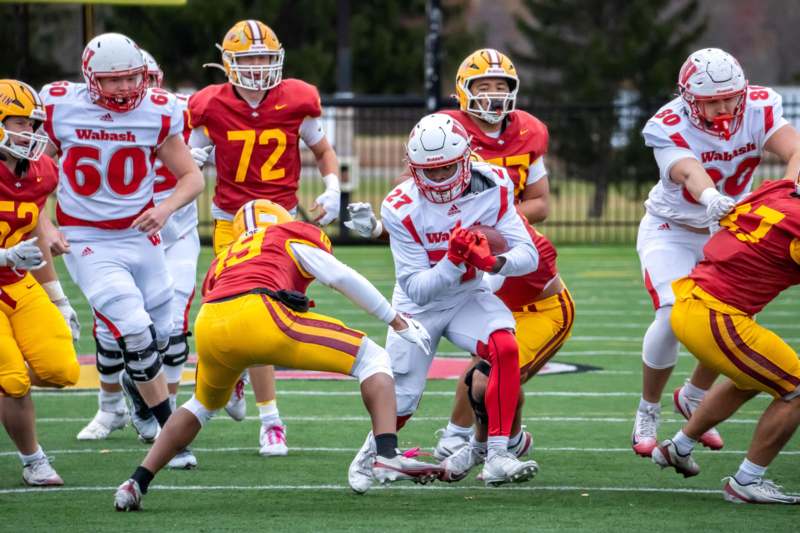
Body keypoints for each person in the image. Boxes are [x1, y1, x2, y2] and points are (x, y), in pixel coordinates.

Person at [113, 199, 441, 510]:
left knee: (200, 405)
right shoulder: (285, 235)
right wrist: (396, 320)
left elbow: (229, 292)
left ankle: (136, 482)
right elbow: (340, 276)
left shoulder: (225, 257)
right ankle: (386, 453)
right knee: (374, 360)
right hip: (261, 315)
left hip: (211, 325)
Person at [348, 112, 540, 492]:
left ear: (466, 158)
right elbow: (418, 289)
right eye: (429, 171)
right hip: (417, 309)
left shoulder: (494, 184)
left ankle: (498, 455)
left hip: (468, 296)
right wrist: (454, 260)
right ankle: (370, 455)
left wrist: (493, 262)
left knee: (505, 345)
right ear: (413, 168)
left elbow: (528, 255)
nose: (438, 178)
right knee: (402, 402)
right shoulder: (401, 206)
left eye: (446, 168)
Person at [39, 33, 204, 469]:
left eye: (132, 78)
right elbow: (31, 175)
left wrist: (164, 209)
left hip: (139, 234)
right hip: (88, 238)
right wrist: (45, 224)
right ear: (91, 78)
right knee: (132, 326)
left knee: (165, 333)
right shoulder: (60, 107)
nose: (126, 88)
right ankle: (169, 435)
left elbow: (192, 177)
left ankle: (137, 391)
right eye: (114, 80)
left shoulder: (158, 110)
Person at [631, 47, 800, 457]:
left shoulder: (759, 106)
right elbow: (689, 170)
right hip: (672, 228)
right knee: (672, 315)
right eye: (713, 101)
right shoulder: (668, 124)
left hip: (727, 228)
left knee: (730, 315)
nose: (724, 108)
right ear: (690, 99)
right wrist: (710, 197)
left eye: (730, 98)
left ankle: (692, 395)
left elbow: (796, 150)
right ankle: (647, 408)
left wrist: (791, 193)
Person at [187, 19, 342, 456]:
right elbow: (189, 159)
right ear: (229, 63)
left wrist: (332, 186)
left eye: (264, 58)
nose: (257, 67)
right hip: (230, 222)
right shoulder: (210, 105)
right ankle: (245, 391)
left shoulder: (296, 99)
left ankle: (269, 418)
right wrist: (192, 163)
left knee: (264, 314)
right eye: (249, 58)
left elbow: (322, 150)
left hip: (279, 223)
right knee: (231, 311)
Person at [652, 178, 800, 504]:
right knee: (795, 389)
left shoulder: (779, 189)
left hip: (693, 301)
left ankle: (679, 447)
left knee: (753, 378)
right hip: (718, 317)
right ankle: (747, 481)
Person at [109, 50, 201, 442]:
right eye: (131, 79)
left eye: (144, 78)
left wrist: (203, 154)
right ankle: (136, 397)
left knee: (173, 329)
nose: (137, 88)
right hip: (134, 235)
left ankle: (164, 412)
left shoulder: (180, 110)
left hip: (177, 231)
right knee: (137, 328)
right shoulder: (103, 121)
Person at [0, 79, 81, 486]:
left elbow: (34, 233)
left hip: (17, 284)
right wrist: (4, 256)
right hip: (6, 271)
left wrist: (59, 299)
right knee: (12, 380)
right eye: (19, 123)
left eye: (32, 125)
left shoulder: (41, 172)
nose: (29, 133)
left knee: (62, 370)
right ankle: (34, 460)